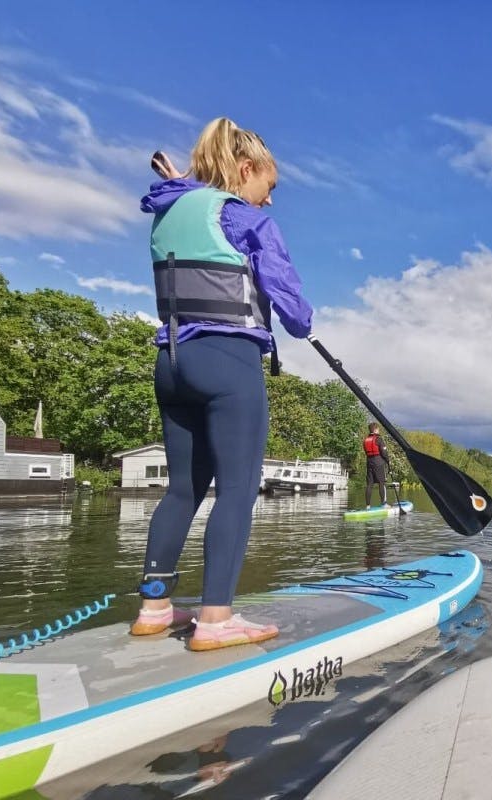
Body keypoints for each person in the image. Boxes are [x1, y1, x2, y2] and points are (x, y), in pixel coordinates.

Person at [133, 118, 314, 652]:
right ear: (246, 169)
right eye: (270, 187)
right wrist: (302, 318)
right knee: (236, 490)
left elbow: (182, 197)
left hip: (170, 362)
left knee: (181, 489)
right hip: (227, 362)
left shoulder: (169, 211)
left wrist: (188, 183)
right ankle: (215, 619)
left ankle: (154, 608)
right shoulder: (243, 218)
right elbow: (296, 313)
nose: (270, 201)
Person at [363, 422, 391, 507]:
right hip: (379, 463)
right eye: (378, 429)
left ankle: (368, 506)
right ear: (375, 430)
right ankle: (384, 504)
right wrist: (388, 461)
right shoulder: (379, 439)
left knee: (369, 484)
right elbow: (384, 453)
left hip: (369, 462)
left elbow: (366, 452)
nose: (379, 430)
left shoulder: (365, 440)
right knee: (381, 483)